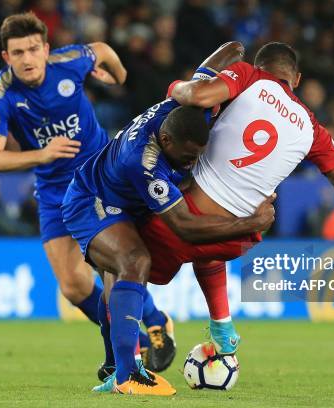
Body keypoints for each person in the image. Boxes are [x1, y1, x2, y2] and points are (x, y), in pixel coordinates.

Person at [132, 41, 334, 357]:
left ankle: (127, 364)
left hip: (186, 221)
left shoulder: (248, 76)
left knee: (122, 267)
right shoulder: (313, 130)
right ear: (297, 80)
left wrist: (174, 88)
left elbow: (196, 95)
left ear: (259, 65)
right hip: (241, 236)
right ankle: (223, 331)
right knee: (208, 250)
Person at [0, 12, 173, 379]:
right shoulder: (2, 93)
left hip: (98, 176)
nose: (27, 59)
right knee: (72, 284)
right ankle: (136, 337)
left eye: (34, 49)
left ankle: (154, 326)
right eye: (18, 53)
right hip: (52, 188)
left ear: (46, 49)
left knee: (109, 262)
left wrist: (118, 76)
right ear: (6, 57)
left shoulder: (69, 62)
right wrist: (43, 154)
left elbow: (102, 50)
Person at [62, 99, 275, 395]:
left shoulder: (188, 108)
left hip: (128, 203)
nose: (191, 163)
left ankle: (115, 366)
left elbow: (216, 65)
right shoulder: (142, 162)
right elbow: (185, 226)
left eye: (197, 156)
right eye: (187, 157)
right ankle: (128, 374)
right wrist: (251, 223)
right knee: (133, 261)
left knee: (118, 274)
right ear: (165, 140)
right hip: (93, 201)